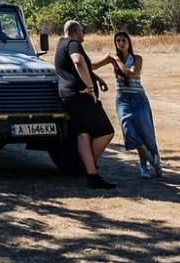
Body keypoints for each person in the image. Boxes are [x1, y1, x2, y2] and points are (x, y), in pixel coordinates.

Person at [52, 19, 115, 190]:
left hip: (67, 96)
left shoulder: (60, 45)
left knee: (83, 135)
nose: (83, 33)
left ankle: (92, 176)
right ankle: (86, 166)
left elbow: (80, 67)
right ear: (74, 31)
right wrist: (89, 88)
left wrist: (96, 78)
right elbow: (78, 62)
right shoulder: (73, 44)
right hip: (81, 97)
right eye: (82, 30)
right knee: (106, 131)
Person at [99, 30, 159, 178]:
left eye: (123, 40)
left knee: (146, 133)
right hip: (123, 100)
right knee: (129, 132)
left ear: (129, 42)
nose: (120, 43)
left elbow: (131, 73)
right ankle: (152, 159)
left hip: (139, 99)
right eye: (117, 41)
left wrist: (117, 60)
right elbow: (92, 66)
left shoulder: (137, 59)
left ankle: (145, 167)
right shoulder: (111, 58)